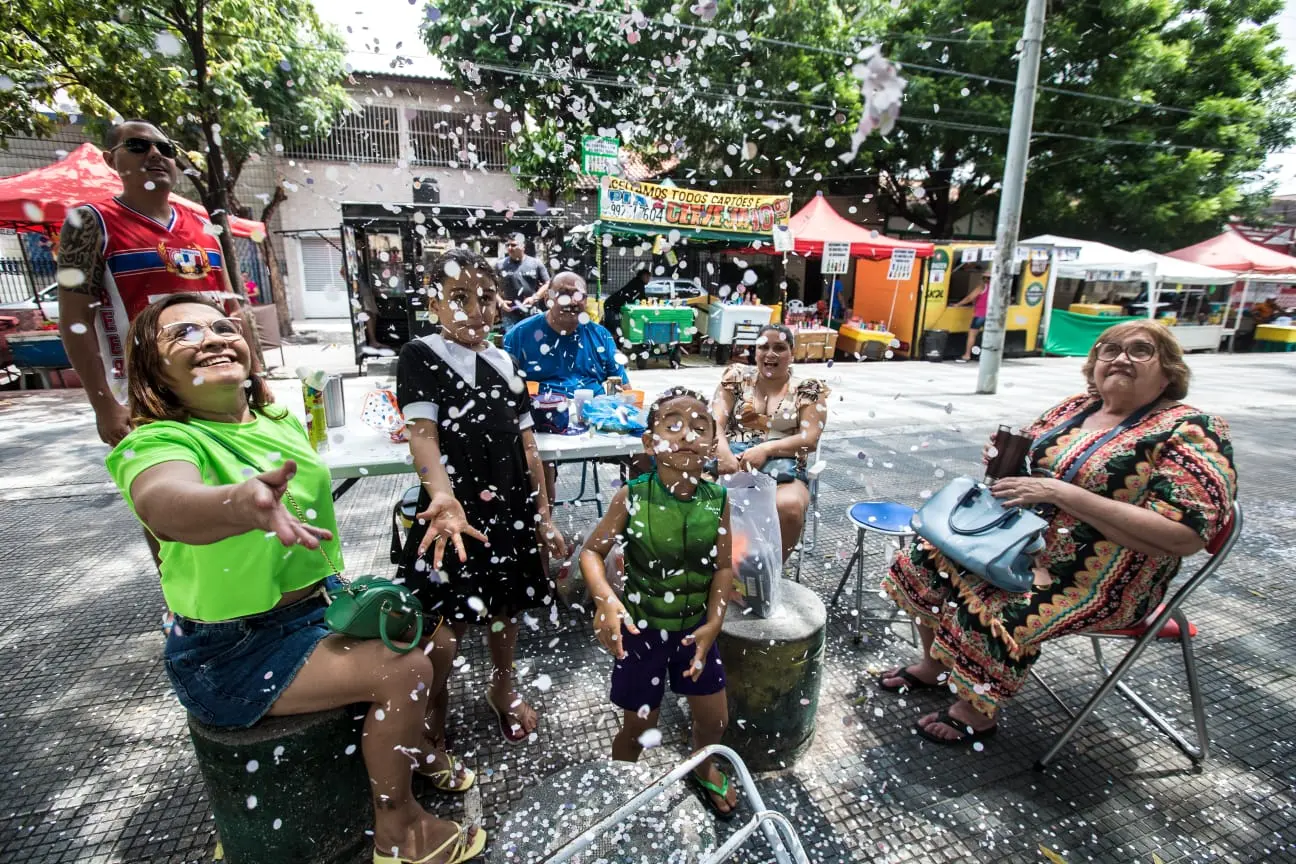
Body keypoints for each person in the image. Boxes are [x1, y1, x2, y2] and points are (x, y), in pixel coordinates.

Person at [105, 294, 484, 864]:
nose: (210, 337)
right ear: (151, 368)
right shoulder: (158, 442)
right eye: (181, 333)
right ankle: (398, 828)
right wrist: (239, 503)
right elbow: (165, 500)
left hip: (312, 612)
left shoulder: (275, 418)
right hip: (234, 646)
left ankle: (418, 745)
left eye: (223, 326)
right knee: (403, 668)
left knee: (435, 637)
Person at [879, 321, 1237, 746]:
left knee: (996, 608)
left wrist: (1060, 494)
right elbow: (1037, 467)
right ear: (1094, 364)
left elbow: (1185, 536)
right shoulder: (1075, 407)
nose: (1121, 358)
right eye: (1109, 349)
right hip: (1022, 545)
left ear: (1169, 369)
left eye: (1141, 350)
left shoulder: (1190, 430)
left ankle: (976, 711)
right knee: (921, 560)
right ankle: (934, 664)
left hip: (1105, 577)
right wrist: (1007, 461)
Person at [394, 248, 568, 746]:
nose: (475, 309)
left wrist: (542, 514)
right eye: (458, 297)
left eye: (486, 297)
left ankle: (502, 687)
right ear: (433, 305)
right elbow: (422, 435)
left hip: (509, 504)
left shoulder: (506, 360)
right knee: (443, 620)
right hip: (453, 512)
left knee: (504, 608)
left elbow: (529, 448)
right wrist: (445, 500)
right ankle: (435, 701)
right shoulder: (420, 355)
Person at [579, 387, 740, 820]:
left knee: (714, 720)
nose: (687, 432)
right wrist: (605, 600)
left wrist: (714, 623)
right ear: (650, 442)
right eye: (672, 424)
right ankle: (619, 784)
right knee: (639, 727)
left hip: (695, 631)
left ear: (712, 444)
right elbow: (591, 553)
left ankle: (701, 762)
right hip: (642, 630)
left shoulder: (717, 501)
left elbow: (724, 568)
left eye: (699, 426)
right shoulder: (633, 496)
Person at [57, 120, 240, 447]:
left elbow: (231, 308)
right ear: (111, 160)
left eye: (166, 149)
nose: (155, 154)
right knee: (172, 489)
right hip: (146, 396)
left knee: (238, 486)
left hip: (216, 386)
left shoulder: (203, 227)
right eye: (138, 146)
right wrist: (104, 405)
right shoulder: (89, 223)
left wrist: (254, 377)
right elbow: (74, 322)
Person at [712, 324, 830, 563]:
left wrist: (766, 449)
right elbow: (714, 423)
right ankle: (715, 568)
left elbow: (810, 441)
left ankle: (771, 574)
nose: (770, 354)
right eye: (764, 347)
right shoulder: (736, 379)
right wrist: (723, 450)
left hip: (785, 470)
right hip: (731, 464)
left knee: (789, 507)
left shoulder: (807, 389)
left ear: (792, 353)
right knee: (694, 493)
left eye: (780, 348)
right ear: (754, 352)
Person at [504, 271, 629, 398]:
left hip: (593, 413)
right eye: (564, 294)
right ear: (548, 299)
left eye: (579, 295)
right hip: (540, 413)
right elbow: (502, 391)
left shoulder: (600, 335)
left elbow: (623, 388)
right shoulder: (520, 335)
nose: (573, 302)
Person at [496, 233, 551, 332]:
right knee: (511, 342)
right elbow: (491, 287)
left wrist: (535, 297)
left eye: (513, 245)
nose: (509, 248)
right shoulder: (500, 265)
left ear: (523, 246)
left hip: (531, 311)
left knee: (533, 340)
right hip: (510, 313)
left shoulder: (536, 263)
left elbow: (548, 283)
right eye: (507, 245)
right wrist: (501, 302)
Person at [602, 267, 651, 345]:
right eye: (647, 277)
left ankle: (612, 345)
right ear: (642, 276)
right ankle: (611, 347)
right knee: (614, 329)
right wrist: (651, 302)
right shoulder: (638, 284)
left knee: (614, 328)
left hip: (612, 305)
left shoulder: (636, 282)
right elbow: (642, 298)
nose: (649, 279)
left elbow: (639, 298)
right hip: (612, 306)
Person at [955, 274, 991, 362]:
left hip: (980, 315)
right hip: (991, 316)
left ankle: (967, 355)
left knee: (972, 335)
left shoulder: (982, 287)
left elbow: (969, 298)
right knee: (989, 336)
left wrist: (958, 304)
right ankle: (988, 356)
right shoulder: (997, 288)